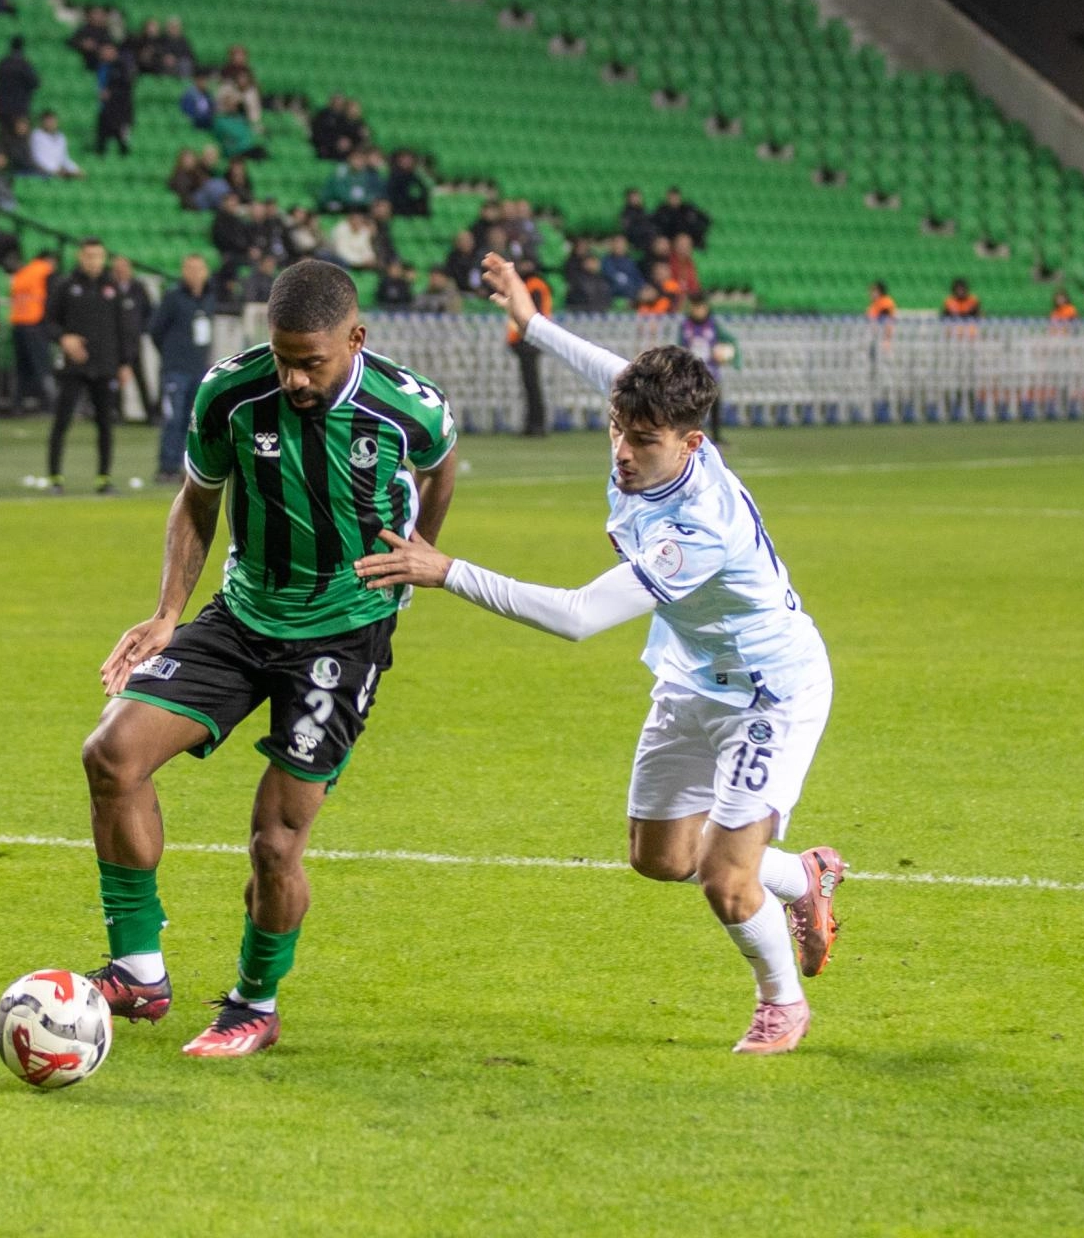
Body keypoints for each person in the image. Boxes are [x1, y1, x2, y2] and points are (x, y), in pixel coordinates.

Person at [354, 252, 844, 1056]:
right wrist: (531, 322)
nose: (621, 449)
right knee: (662, 858)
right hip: (689, 676)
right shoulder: (645, 424)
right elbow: (611, 373)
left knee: (725, 880)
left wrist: (448, 571)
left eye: (641, 441)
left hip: (769, 692)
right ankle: (804, 876)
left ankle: (782, 1003)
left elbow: (580, 616)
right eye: (617, 429)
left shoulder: (699, 528)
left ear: (690, 443)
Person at [75, 260, 458, 1057]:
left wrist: (422, 548)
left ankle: (254, 1003)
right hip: (244, 613)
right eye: (282, 358)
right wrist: (168, 613)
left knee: (276, 841)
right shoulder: (229, 393)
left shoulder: (408, 408)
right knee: (111, 754)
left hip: (344, 635)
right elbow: (197, 499)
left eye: (310, 362)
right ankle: (138, 971)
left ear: (355, 339)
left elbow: (442, 463)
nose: (293, 378)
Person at [46, 238, 138, 493]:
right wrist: (64, 338)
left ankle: (104, 478)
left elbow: (124, 328)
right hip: (73, 366)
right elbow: (48, 322)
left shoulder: (113, 287)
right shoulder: (65, 285)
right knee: (62, 420)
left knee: (106, 424)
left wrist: (125, 362)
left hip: (105, 365)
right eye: (89, 256)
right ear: (80, 257)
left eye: (98, 256)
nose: (94, 261)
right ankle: (55, 477)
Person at [146, 252, 216, 483]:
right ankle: (167, 467)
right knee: (173, 418)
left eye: (199, 269)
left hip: (199, 369)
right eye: (190, 269)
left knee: (193, 420)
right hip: (176, 369)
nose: (194, 274)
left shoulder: (209, 297)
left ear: (205, 272)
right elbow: (156, 330)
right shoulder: (173, 297)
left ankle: (188, 466)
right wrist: (171, 354)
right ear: (183, 272)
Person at [679, 291, 735, 441]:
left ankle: (716, 436)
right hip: (692, 373)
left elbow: (730, 341)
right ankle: (695, 436)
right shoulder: (685, 326)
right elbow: (680, 347)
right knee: (694, 407)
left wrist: (726, 354)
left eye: (701, 307)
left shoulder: (713, 325)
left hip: (711, 372)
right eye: (696, 307)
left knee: (715, 404)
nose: (699, 311)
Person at [507, 258, 554, 436]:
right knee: (530, 384)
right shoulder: (530, 284)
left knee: (532, 385)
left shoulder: (534, 285)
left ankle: (536, 424)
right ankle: (533, 423)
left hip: (529, 339)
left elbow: (531, 315)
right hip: (527, 339)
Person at [8, 248, 58, 411]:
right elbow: (52, 298)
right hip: (35, 324)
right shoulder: (45, 270)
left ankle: (17, 404)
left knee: (22, 368)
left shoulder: (23, 272)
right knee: (42, 365)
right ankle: (50, 403)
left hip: (18, 324)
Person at [111, 254, 155, 416]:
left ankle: (150, 413)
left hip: (134, 340)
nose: (121, 271)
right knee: (115, 377)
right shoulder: (110, 288)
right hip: (114, 340)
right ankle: (116, 411)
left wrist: (141, 328)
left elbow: (149, 311)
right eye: (118, 268)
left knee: (140, 376)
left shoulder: (138, 288)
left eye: (123, 268)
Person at [93, 42, 134, 155]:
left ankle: (124, 159)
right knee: (101, 139)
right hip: (105, 110)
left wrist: (111, 93)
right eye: (103, 51)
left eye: (107, 51)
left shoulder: (122, 68)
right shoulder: (100, 66)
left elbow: (127, 89)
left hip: (120, 112)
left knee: (122, 140)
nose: (104, 53)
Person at [0, 35, 37, 128]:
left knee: (5, 131)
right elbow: (34, 82)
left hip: (2, 106)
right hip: (19, 106)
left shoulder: (3, 63)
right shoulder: (23, 64)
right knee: (19, 133)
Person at [29, 110, 82, 178]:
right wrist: (55, 170)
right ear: (42, 122)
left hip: (59, 170)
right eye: (48, 121)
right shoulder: (36, 136)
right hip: (43, 170)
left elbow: (64, 157)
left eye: (53, 121)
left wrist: (75, 169)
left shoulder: (61, 137)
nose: (51, 124)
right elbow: (37, 159)